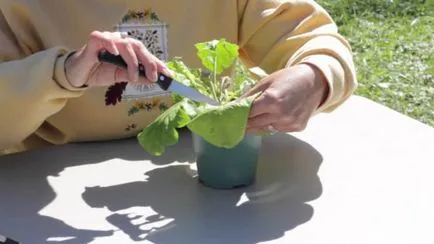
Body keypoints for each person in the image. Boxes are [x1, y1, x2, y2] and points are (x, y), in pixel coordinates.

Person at [0, 0, 357, 156]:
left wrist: (314, 78)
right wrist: (62, 74)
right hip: (46, 198)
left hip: (202, 180)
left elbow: (314, 38)